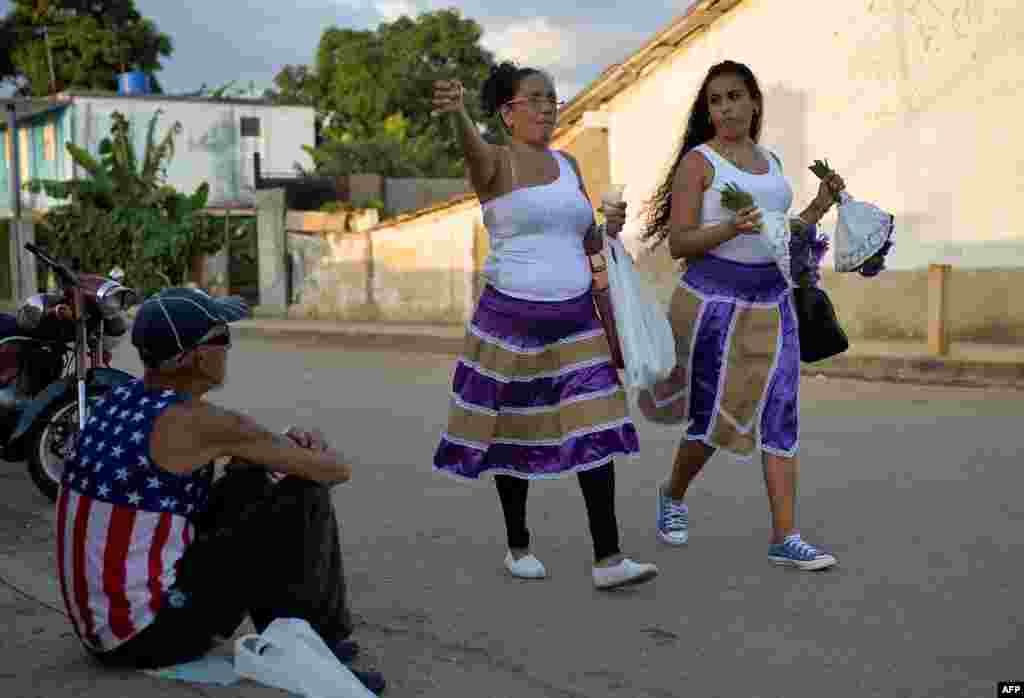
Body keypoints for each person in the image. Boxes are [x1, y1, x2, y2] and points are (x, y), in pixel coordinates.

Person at [54, 287, 385, 694]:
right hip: (148, 636)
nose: (229, 348)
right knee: (301, 490)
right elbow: (335, 470)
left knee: (255, 480)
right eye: (222, 338)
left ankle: (302, 638)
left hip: (104, 628)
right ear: (192, 356)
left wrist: (267, 457)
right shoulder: (199, 421)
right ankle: (315, 655)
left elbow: (217, 465)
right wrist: (300, 452)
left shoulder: (117, 400)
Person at [430, 62, 658, 590]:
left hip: (576, 321)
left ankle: (609, 558)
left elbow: (585, 240)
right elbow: (472, 150)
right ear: (507, 113)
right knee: (512, 431)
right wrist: (460, 113)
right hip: (509, 321)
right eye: (533, 99)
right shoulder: (495, 163)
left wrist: (609, 229)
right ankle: (518, 544)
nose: (547, 106)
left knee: (596, 427)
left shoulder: (570, 165)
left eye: (551, 97)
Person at [640, 60, 844, 571]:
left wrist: (818, 207)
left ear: (754, 101)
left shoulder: (770, 161)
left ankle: (785, 535)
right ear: (708, 111)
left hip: (773, 306)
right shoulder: (700, 162)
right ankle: (673, 493)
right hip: (715, 307)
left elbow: (778, 231)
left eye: (735, 96)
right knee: (712, 419)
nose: (726, 108)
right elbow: (682, 243)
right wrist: (730, 228)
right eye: (716, 100)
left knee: (781, 412)